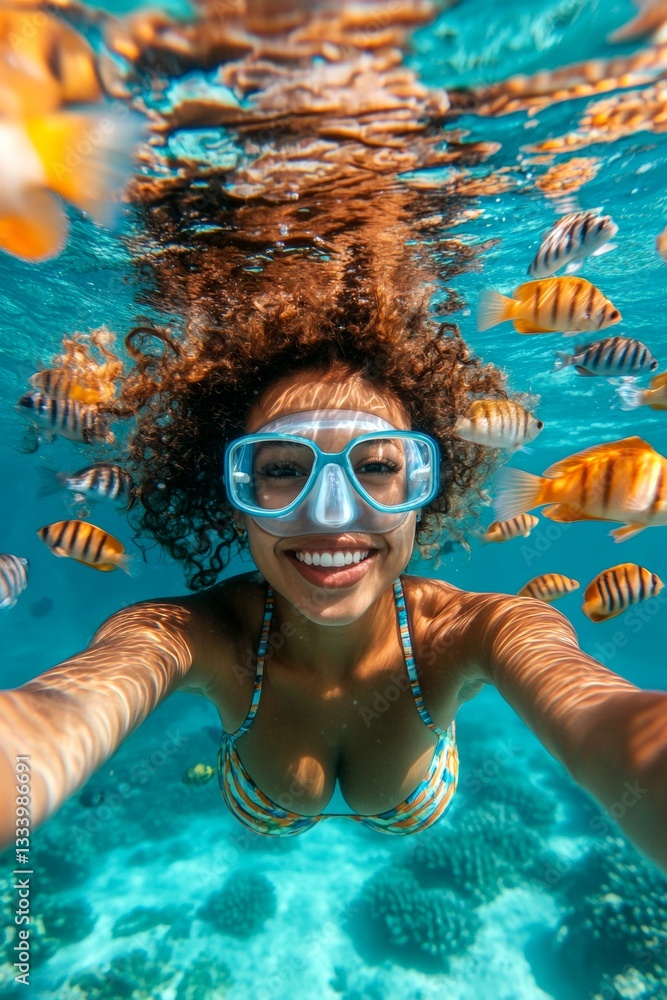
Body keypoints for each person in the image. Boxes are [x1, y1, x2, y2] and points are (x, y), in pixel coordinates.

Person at [1, 290, 666, 873]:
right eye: (281, 471)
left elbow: (599, 713)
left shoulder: (477, 630)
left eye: (375, 467)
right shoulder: (190, 634)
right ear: (234, 495)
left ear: (426, 489)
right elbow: (54, 719)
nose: (330, 515)